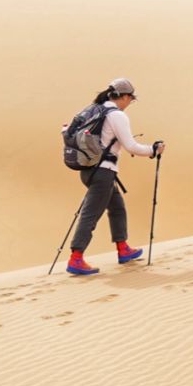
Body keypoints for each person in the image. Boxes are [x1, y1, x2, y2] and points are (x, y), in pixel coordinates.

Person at [66, 79, 165, 276]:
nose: (130, 103)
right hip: (103, 172)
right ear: (125, 96)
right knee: (90, 215)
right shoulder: (116, 115)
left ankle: (123, 248)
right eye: (131, 99)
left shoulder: (96, 110)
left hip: (90, 170)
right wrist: (153, 150)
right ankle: (75, 258)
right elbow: (131, 146)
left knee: (117, 207)